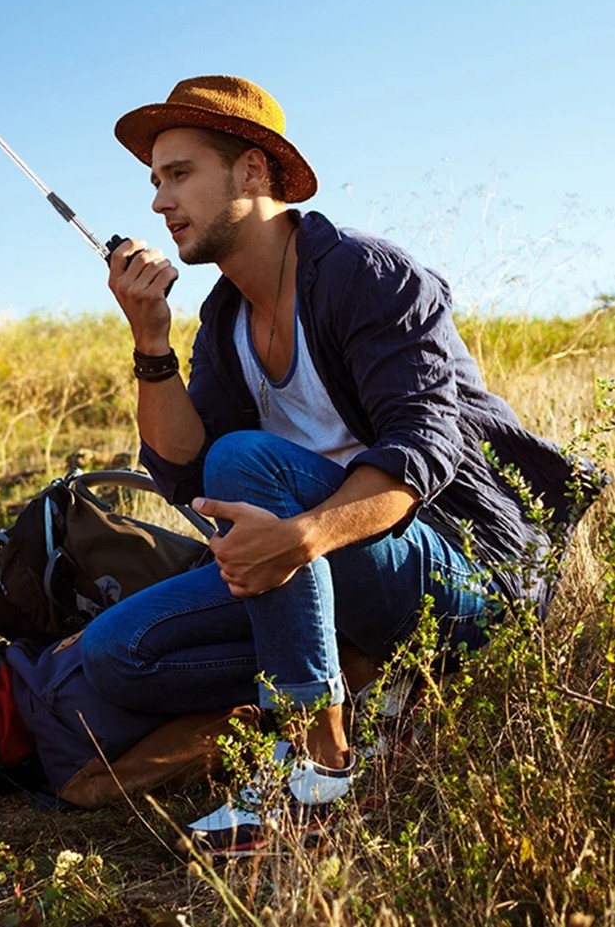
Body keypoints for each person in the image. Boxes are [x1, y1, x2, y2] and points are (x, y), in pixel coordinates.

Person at [77, 75, 606, 853]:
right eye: (154, 181)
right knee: (114, 651)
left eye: (179, 174)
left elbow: (422, 451)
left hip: (467, 572)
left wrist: (299, 539)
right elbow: (186, 475)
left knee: (247, 460)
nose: (159, 202)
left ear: (250, 171)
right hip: (333, 566)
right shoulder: (223, 319)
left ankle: (319, 765)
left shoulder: (367, 275)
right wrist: (150, 340)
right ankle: (354, 672)